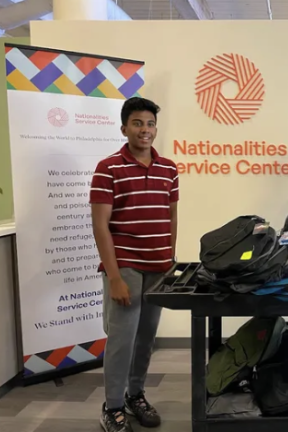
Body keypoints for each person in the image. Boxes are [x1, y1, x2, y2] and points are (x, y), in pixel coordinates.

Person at [90, 97, 179, 432]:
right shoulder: (108, 167)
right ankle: (112, 406)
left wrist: (170, 259)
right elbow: (100, 225)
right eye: (138, 123)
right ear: (124, 127)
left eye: (151, 124)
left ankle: (135, 395)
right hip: (125, 265)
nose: (145, 130)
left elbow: (171, 216)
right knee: (121, 340)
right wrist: (114, 277)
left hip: (158, 267)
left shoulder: (169, 168)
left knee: (145, 339)